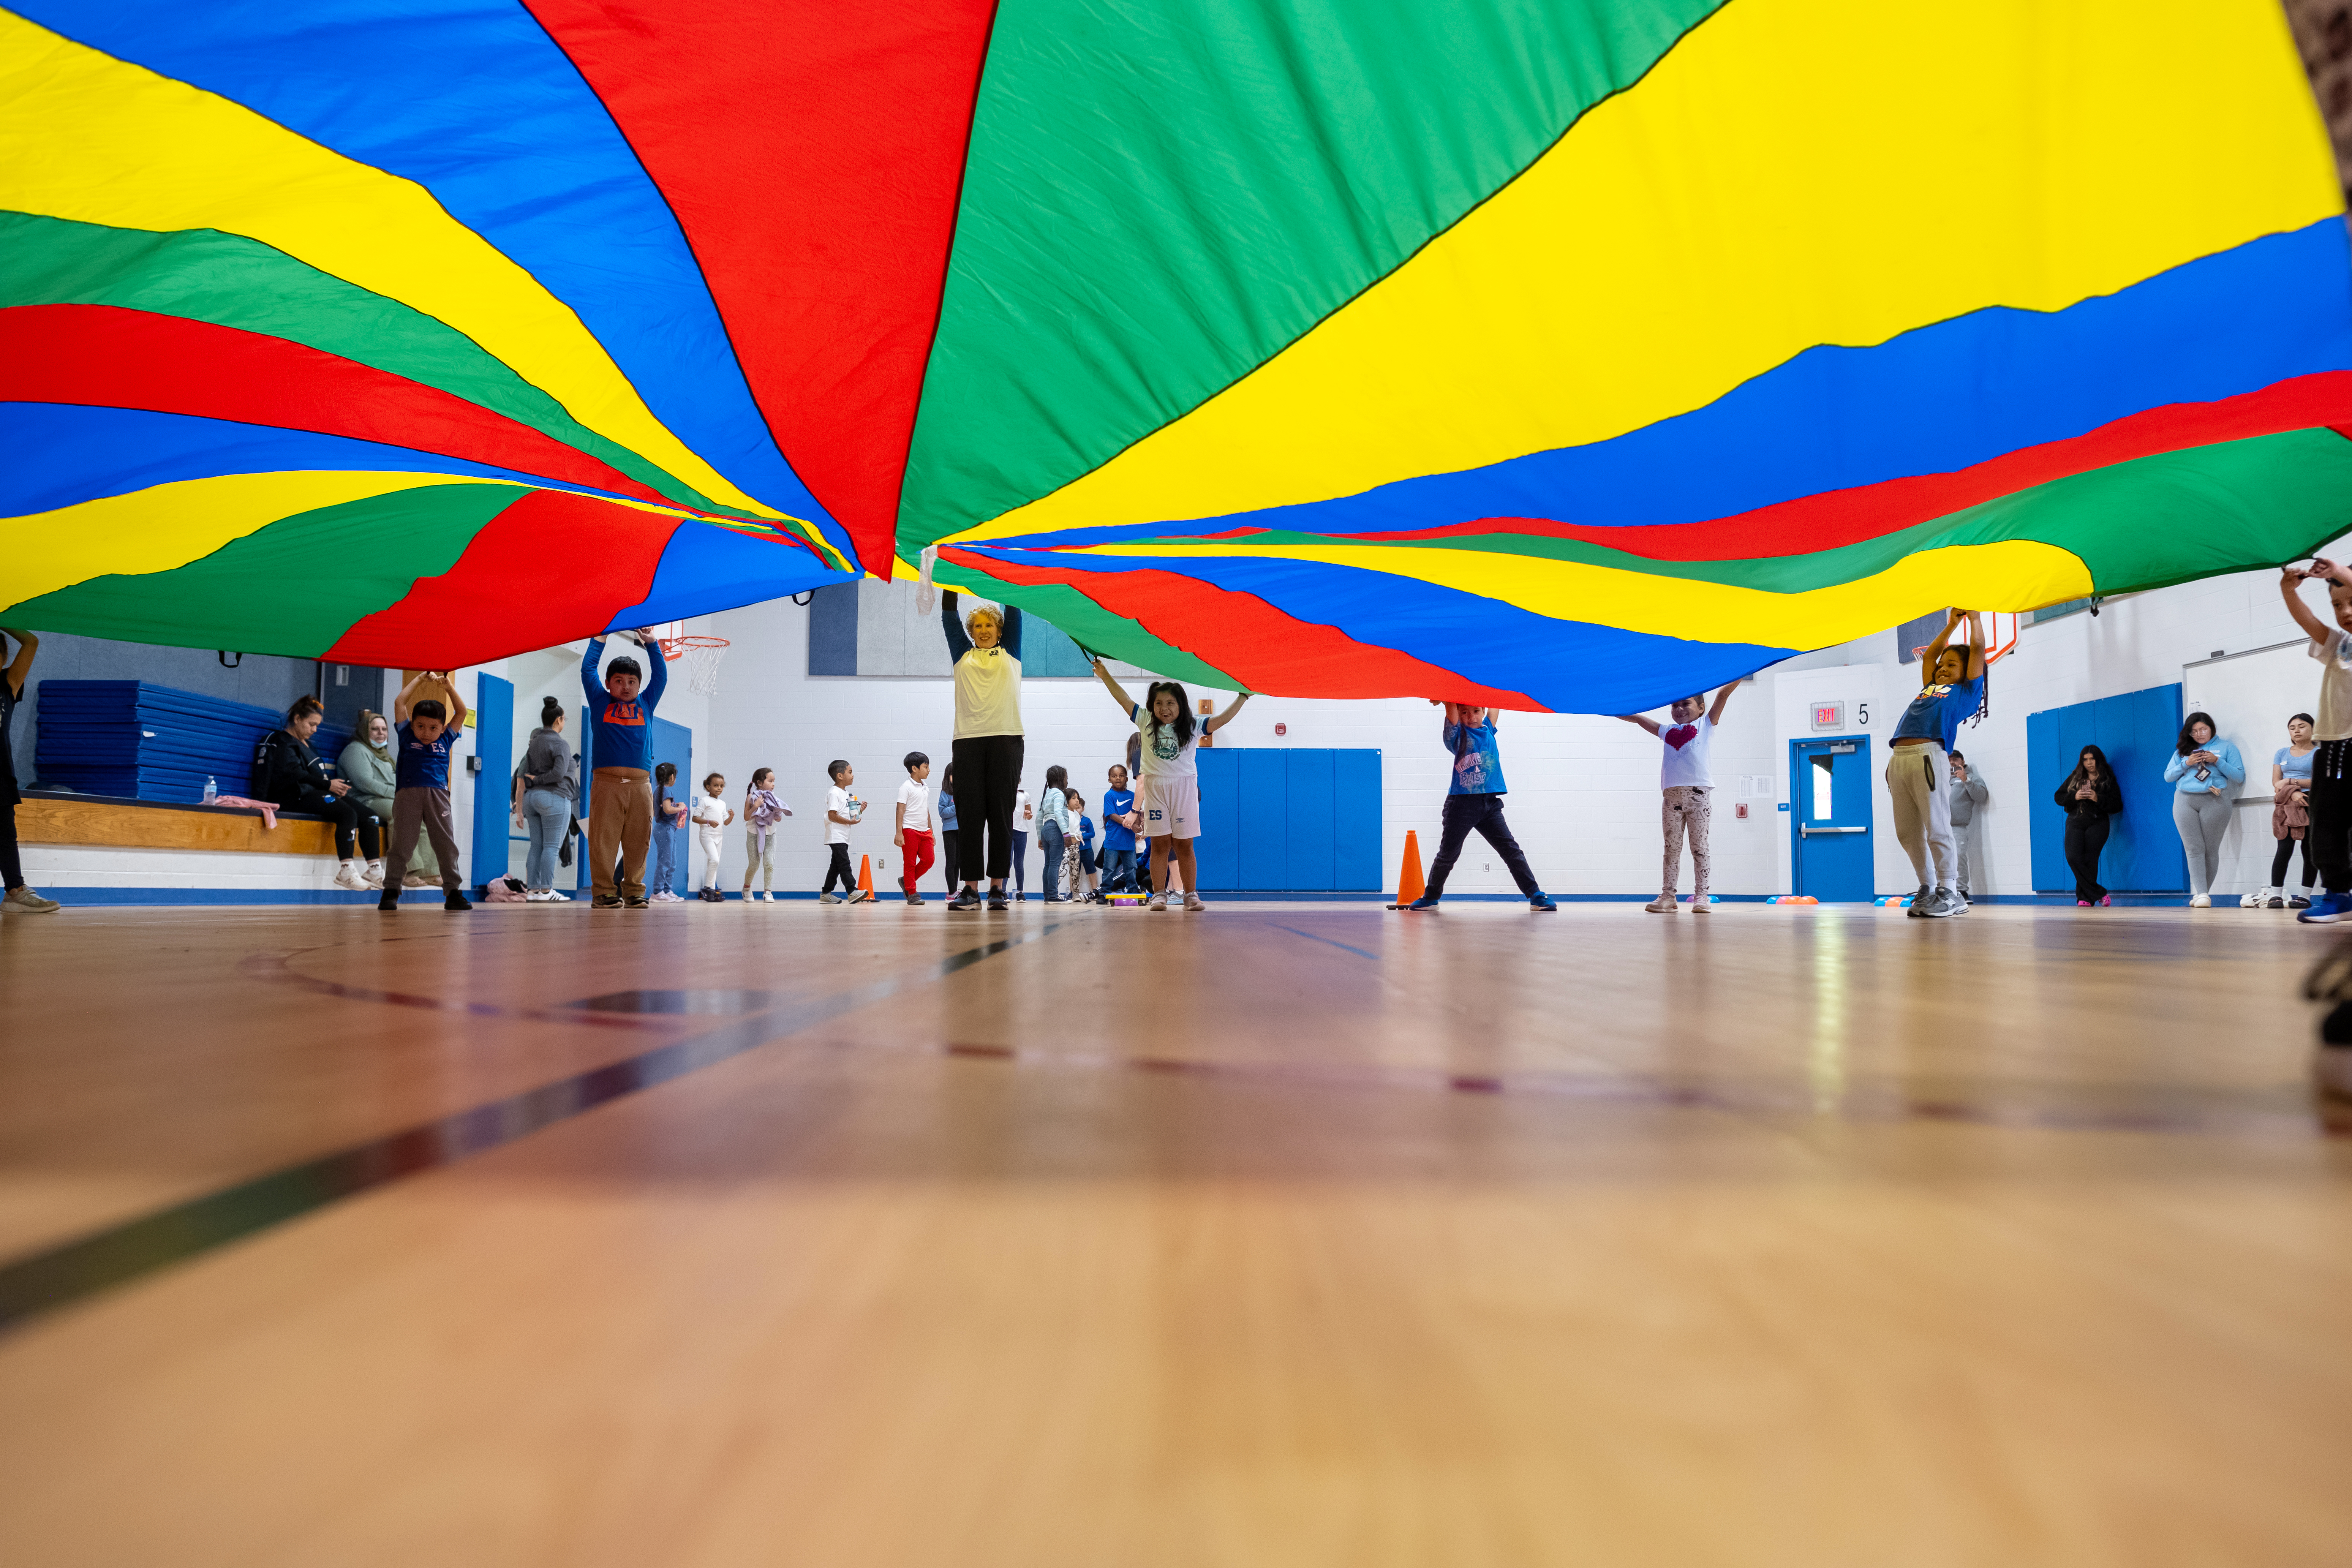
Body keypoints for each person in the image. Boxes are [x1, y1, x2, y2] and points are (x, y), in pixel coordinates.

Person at [1091, 661, 1251, 912]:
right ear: (1152, 707)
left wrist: (1243, 697)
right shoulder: (1144, 720)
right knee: (1161, 845)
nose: (1164, 709)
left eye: (1170, 703)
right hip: (1156, 789)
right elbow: (1123, 699)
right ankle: (1159, 894)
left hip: (1185, 789)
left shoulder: (1193, 725)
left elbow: (1220, 720)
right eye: (1159, 704)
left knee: (1185, 845)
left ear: (1180, 705)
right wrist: (1104, 674)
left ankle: (1190, 894)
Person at [1403, 701, 1557, 913]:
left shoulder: (1489, 732)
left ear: (1483, 712)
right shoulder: (1457, 736)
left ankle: (1535, 895)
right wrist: (1446, 699)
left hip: (1490, 804)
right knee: (1448, 854)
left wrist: (1495, 687)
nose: (1471, 717)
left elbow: (1497, 703)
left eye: (1476, 711)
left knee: (1511, 850)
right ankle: (1431, 896)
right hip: (1462, 804)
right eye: (1464, 712)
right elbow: (1452, 710)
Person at [1886, 609, 1987, 919]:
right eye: (1942, 666)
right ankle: (1927, 887)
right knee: (1906, 832)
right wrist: (1950, 625)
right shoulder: (1929, 686)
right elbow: (1931, 654)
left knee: (1938, 828)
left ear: (1967, 671)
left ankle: (1951, 891)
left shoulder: (1967, 691)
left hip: (1930, 755)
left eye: (1952, 665)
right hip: (1899, 759)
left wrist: (1972, 620)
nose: (1942, 668)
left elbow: (1979, 650)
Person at [1616, 683, 1737, 914]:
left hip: (1698, 797)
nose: (1680, 709)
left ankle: (1702, 896)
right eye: (1675, 705)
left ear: (1701, 708)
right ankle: (1668, 896)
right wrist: (1608, 709)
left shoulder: (1706, 724)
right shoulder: (1667, 730)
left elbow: (1723, 693)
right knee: (1671, 848)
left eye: (1686, 704)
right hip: (1671, 798)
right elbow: (1639, 719)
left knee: (1699, 847)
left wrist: (1744, 670)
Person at [940, 592, 1026, 912]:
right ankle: (971, 891)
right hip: (968, 742)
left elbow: (1014, 608)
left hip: (1007, 740)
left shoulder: (1012, 653)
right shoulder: (963, 655)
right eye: (977, 626)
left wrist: (1000, 574)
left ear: (1000, 630)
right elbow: (949, 617)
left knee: (1001, 817)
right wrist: (951, 580)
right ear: (972, 632)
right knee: (971, 817)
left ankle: (997, 890)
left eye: (990, 624)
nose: (984, 630)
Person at [251, 693, 381, 893]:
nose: (315, 730)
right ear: (297, 719)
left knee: (371, 817)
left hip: (316, 792)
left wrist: (334, 786)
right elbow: (295, 773)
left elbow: (317, 778)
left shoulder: (309, 746)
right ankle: (346, 870)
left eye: (317, 725)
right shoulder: (282, 741)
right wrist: (328, 785)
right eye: (312, 724)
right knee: (348, 814)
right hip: (294, 796)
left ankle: (375, 871)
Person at [2281, 558, 2352, 925]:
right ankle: (2338, 895)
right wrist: (2288, 592)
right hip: (2333, 747)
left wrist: (2339, 573)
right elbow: (2309, 623)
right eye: (2338, 605)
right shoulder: (2340, 644)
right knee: (2326, 825)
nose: (2345, 611)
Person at [581, 629, 668, 909]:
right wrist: (602, 637)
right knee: (603, 842)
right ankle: (604, 892)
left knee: (639, 843)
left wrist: (651, 643)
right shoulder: (599, 701)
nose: (627, 687)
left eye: (632, 682)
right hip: (606, 783)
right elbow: (588, 668)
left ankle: (633, 891)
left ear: (640, 686)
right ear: (608, 684)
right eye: (619, 681)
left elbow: (661, 676)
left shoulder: (646, 703)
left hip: (641, 786)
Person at [378, 673, 470, 912]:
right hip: (408, 796)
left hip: (438, 797)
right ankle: (391, 891)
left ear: (442, 728)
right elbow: (400, 703)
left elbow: (461, 712)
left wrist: (449, 687)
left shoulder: (448, 738)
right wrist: (419, 680)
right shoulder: (406, 735)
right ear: (413, 724)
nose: (426, 732)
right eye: (421, 726)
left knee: (446, 845)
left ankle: (453, 893)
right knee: (402, 845)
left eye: (433, 728)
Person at [0, 626, 57, 913]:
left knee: (5, 835)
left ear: (4, 658)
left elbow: (32, 641)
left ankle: (15, 892)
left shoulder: (7, 684)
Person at [2164, 711, 2243, 909]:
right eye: (2194, 732)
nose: (2199, 734)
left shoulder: (2226, 747)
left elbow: (2239, 777)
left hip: (2215, 800)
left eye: (2203, 730)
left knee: (2210, 850)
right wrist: (2187, 763)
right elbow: (2168, 777)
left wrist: (2217, 761)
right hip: (2184, 801)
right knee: (2193, 849)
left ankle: (2203, 894)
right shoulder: (2183, 750)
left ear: (2211, 728)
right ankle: (2202, 894)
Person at [514, 697, 575, 903]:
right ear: (559, 720)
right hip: (554, 799)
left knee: (536, 846)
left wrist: (520, 809)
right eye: (564, 719)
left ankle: (532, 891)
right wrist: (541, 779)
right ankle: (547, 891)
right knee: (551, 847)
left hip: (532, 799)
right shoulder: (561, 744)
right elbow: (558, 775)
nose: (564, 722)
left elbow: (522, 778)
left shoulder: (534, 743)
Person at [335, 710, 404, 892]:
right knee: (401, 811)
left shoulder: (386, 756)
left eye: (384, 729)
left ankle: (422, 870)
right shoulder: (356, 750)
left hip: (383, 798)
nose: (381, 733)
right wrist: (397, 795)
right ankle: (407, 870)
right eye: (375, 729)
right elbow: (365, 782)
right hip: (364, 800)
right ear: (365, 732)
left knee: (420, 811)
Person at [2259, 713, 2319, 909]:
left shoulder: (2320, 753)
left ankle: (2304, 896)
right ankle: (2276, 895)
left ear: (2312, 729)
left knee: (2309, 850)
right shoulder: (2282, 753)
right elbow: (2277, 783)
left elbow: (2320, 781)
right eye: (2292, 728)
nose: (2297, 731)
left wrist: (2293, 783)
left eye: (2302, 726)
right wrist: (2293, 793)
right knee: (2284, 849)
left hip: (2312, 802)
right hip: (2287, 803)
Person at [2054, 744, 2124, 906]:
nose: (2089, 763)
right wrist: (2075, 796)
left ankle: (2085, 899)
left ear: (2098, 759)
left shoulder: (2107, 777)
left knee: (2090, 860)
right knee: (2073, 857)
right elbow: (2059, 797)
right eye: (2085, 760)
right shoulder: (2076, 776)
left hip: (2098, 823)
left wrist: (2097, 798)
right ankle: (2099, 893)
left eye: (2092, 759)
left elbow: (2117, 805)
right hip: (2075, 821)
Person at [819, 760, 871, 904]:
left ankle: (826, 893)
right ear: (840, 776)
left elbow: (848, 814)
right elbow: (833, 815)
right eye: (850, 772)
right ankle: (852, 891)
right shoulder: (834, 793)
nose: (853, 775)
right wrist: (850, 822)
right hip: (836, 835)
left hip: (843, 835)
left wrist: (860, 810)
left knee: (836, 866)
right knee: (844, 864)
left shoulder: (846, 793)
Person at [741, 768, 791, 903]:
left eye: (774, 781)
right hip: (754, 833)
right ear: (760, 783)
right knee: (754, 864)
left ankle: (768, 892)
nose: (773, 784)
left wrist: (778, 814)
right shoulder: (751, 797)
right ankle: (746, 889)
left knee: (769, 863)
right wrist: (756, 806)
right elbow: (746, 817)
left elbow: (778, 819)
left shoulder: (773, 798)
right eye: (770, 781)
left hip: (771, 833)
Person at [895, 751, 935, 906]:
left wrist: (931, 831)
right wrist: (899, 832)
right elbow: (900, 810)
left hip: (925, 831)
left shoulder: (925, 787)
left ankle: (906, 881)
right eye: (926, 767)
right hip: (909, 830)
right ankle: (912, 892)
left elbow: (926, 811)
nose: (929, 770)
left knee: (929, 860)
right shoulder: (906, 787)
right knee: (910, 863)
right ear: (915, 769)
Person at [1949, 751, 1989, 905]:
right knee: (1937, 858)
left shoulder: (1972, 777)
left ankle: (1962, 891)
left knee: (1959, 856)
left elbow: (1982, 797)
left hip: (1958, 826)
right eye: (1949, 760)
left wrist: (1967, 781)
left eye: (1956, 760)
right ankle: (1941, 891)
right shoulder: (1942, 779)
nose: (1952, 763)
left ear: (1963, 761)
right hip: (1940, 827)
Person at [691, 771, 732, 902]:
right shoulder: (705, 800)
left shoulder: (723, 804)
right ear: (708, 787)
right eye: (716, 785)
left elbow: (725, 822)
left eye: (721, 786)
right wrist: (708, 822)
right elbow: (695, 818)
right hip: (707, 835)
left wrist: (731, 817)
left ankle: (713, 891)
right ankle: (707, 888)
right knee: (715, 860)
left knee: (714, 863)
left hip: (719, 836)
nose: (719, 788)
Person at [1101, 763, 1140, 895]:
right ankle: (1104, 891)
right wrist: (1130, 824)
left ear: (1127, 779)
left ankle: (1133, 890)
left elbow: (1137, 816)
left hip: (1129, 841)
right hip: (1113, 841)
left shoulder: (1133, 795)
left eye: (1122, 776)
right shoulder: (1109, 796)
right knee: (1109, 869)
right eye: (1114, 776)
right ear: (1109, 779)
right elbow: (1112, 816)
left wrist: (1137, 827)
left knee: (1131, 868)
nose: (1118, 778)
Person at [650, 761, 686, 902]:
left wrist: (674, 805)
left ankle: (667, 890)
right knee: (665, 862)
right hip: (665, 829)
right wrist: (680, 808)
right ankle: (658, 892)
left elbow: (662, 808)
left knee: (671, 862)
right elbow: (667, 810)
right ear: (672, 777)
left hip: (666, 829)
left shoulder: (659, 790)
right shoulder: (666, 791)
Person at [1036, 765, 1072, 903]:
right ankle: (1053, 895)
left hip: (1046, 829)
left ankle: (1047, 896)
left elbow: (1039, 818)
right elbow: (1058, 813)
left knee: (1048, 864)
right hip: (1056, 829)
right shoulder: (1059, 794)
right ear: (1061, 779)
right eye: (1066, 778)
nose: (1067, 782)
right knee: (1055, 864)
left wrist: (1040, 836)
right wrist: (1066, 833)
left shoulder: (1046, 795)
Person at [1065, 789, 1102, 902]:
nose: (1077, 810)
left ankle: (1095, 891)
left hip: (1087, 850)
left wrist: (1081, 836)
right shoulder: (1069, 817)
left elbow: (1093, 834)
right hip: (1074, 849)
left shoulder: (1087, 821)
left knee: (1091, 870)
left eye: (1079, 808)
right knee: (1074, 871)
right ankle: (1073, 892)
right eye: (1076, 808)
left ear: (1083, 809)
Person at [937, 763, 961, 893]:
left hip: (961, 830)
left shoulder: (963, 791)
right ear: (948, 776)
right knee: (951, 861)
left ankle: (955, 891)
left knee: (958, 862)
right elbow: (943, 812)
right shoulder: (945, 793)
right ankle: (951, 892)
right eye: (953, 774)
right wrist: (957, 806)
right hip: (949, 831)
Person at [1011, 784, 1034, 901]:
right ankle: (1003, 890)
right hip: (1009, 830)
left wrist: (1028, 815)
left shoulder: (1025, 795)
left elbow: (1029, 814)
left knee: (1019, 863)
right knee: (1007, 862)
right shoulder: (1004, 792)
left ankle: (1020, 892)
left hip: (1022, 831)